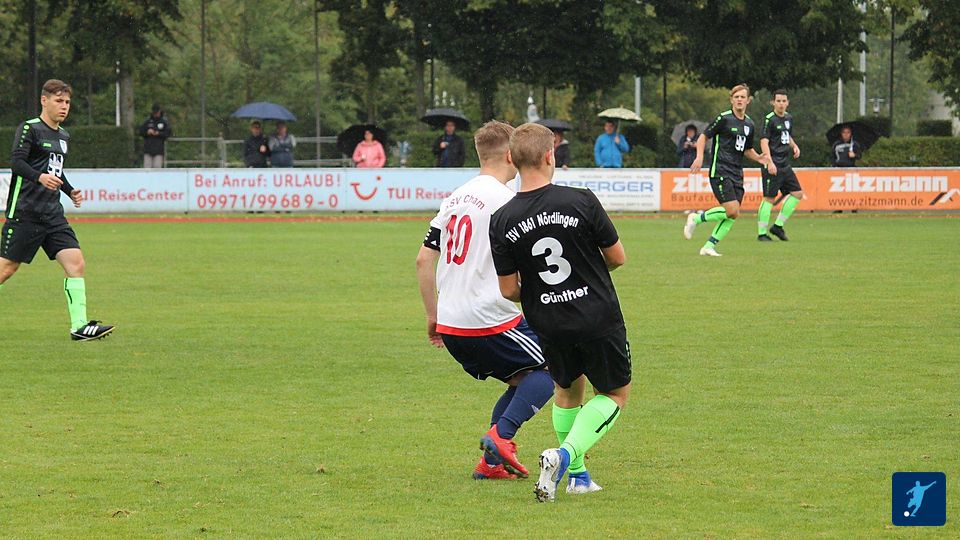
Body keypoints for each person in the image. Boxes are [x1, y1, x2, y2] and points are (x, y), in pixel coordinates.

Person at [489, 122, 630, 502]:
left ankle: (579, 477)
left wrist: (543, 292)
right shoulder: (580, 200)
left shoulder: (501, 219)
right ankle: (565, 457)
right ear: (550, 156)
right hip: (595, 314)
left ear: (510, 158)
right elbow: (617, 257)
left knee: (567, 392)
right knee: (614, 394)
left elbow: (508, 289)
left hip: (548, 321)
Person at [416, 121, 554, 480]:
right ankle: (500, 437)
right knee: (556, 365)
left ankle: (491, 463)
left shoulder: (454, 199)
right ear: (511, 155)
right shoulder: (507, 202)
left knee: (522, 378)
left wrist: (433, 316)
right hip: (487, 318)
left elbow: (423, 260)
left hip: (451, 323)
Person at [1, 79, 114, 341]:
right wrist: (39, 177)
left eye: (67, 102)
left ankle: (79, 326)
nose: (64, 106)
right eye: (59, 101)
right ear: (44, 101)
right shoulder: (30, 128)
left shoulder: (63, 136)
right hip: (26, 211)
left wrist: (69, 190)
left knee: (76, 262)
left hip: (52, 214)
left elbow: (56, 171)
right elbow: (17, 163)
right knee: (6, 269)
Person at [683, 83, 774, 256]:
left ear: (748, 100)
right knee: (732, 210)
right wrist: (699, 157)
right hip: (720, 169)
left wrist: (759, 158)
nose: (739, 100)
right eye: (736, 97)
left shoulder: (749, 124)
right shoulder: (723, 118)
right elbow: (703, 137)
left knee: (733, 214)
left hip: (737, 172)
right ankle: (696, 218)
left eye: (742, 97)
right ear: (731, 100)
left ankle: (709, 246)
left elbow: (747, 149)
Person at [758, 90, 803, 242]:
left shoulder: (789, 118)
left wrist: (794, 146)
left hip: (784, 163)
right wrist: (769, 162)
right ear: (773, 102)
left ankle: (778, 226)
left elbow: (786, 135)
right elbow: (764, 141)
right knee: (769, 198)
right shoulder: (769, 119)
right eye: (778, 101)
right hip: (773, 163)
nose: (781, 104)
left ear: (788, 102)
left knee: (797, 193)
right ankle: (761, 233)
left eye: (784, 101)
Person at [139, 103, 172, 168]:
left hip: (158, 150)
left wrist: (158, 133)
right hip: (148, 150)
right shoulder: (148, 121)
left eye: (157, 112)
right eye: (154, 112)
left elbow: (168, 133)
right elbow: (141, 131)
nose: (155, 114)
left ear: (160, 111)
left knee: (157, 168)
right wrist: (147, 132)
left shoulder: (164, 122)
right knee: (147, 169)